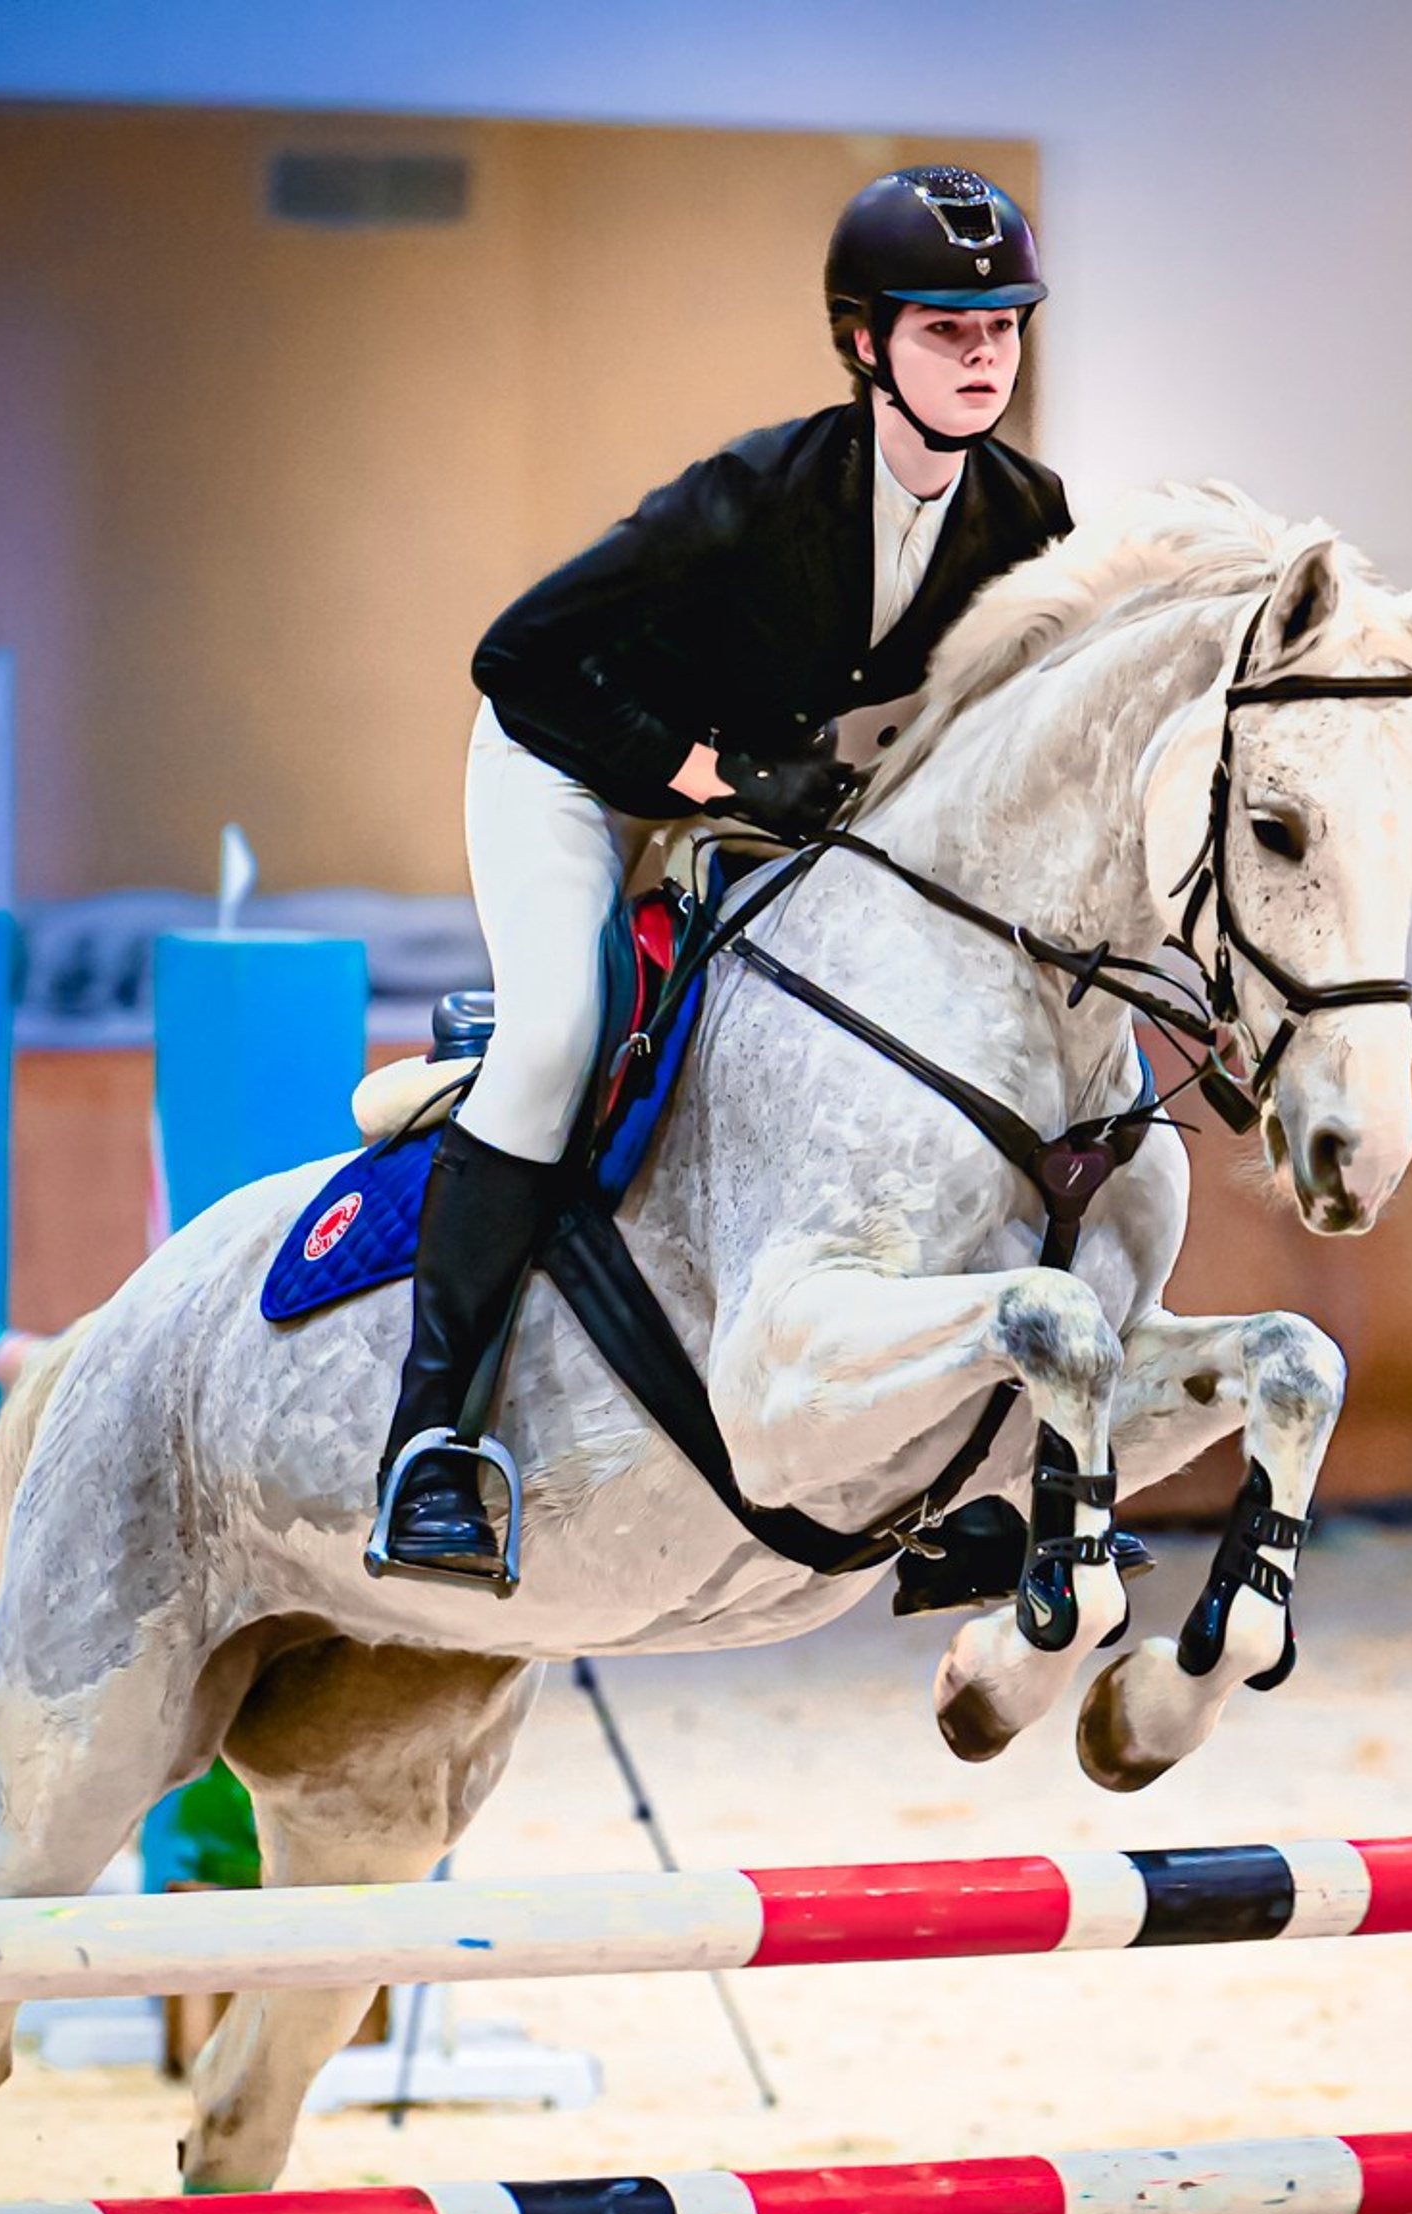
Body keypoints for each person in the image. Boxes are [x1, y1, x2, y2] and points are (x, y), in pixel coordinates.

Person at [371, 165, 1073, 1583]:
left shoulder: (1028, 513)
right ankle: (430, 1447)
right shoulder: (748, 499)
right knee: (564, 1032)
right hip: (566, 760)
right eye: (946, 327)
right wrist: (715, 775)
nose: (983, 353)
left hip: (755, 789)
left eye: (1001, 325)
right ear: (865, 342)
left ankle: (947, 1476)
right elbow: (516, 657)